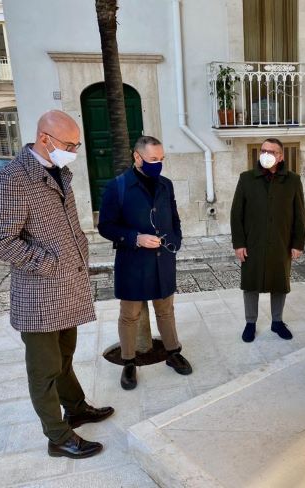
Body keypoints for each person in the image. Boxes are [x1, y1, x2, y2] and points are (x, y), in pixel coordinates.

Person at [0, 110, 114, 459]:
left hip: (67, 287)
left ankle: (76, 407)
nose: (73, 151)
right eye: (68, 144)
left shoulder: (59, 171)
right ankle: (57, 436)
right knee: (43, 370)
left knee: (65, 357)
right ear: (44, 138)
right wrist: (49, 263)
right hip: (40, 292)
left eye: (76, 145)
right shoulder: (13, 179)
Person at [98, 135, 191, 391]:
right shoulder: (117, 186)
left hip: (163, 260)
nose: (157, 164)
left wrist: (176, 240)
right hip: (133, 261)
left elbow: (174, 217)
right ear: (137, 157)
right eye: (152, 159)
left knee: (166, 310)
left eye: (161, 159)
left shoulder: (166, 184)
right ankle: (128, 362)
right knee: (130, 315)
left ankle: (173, 352)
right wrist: (135, 238)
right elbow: (105, 226)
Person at [230, 138, 305, 343]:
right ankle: (250, 323)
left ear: (280, 156)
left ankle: (277, 322)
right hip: (252, 242)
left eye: (271, 151)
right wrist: (239, 243)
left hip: (281, 242)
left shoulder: (292, 180)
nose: (266, 154)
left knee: (279, 283)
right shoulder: (246, 179)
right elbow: (236, 213)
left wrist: (298, 244)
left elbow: (300, 215)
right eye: (263, 150)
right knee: (251, 284)